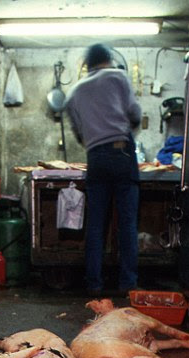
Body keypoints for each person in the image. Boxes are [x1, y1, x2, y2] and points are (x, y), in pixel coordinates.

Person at [64, 44, 142, 296]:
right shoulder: (118, 76)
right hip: (121, 153)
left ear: (87, 64)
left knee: (96, 226)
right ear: (107, 59)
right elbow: (135, 113)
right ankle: (128, 283)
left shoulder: (74, 92)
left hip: (95, 157)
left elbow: (78, 132)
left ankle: (94, 285)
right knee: (127, 224)